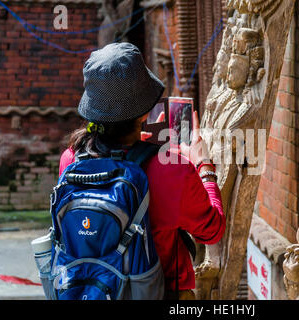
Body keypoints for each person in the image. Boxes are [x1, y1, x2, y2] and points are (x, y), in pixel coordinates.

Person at [58, 42, 225, 300]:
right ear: (145, 110)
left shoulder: (71, 160)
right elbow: (212, 229)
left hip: (90, 293)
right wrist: (203, 166)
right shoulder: (173, 170)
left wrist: (143, 147)